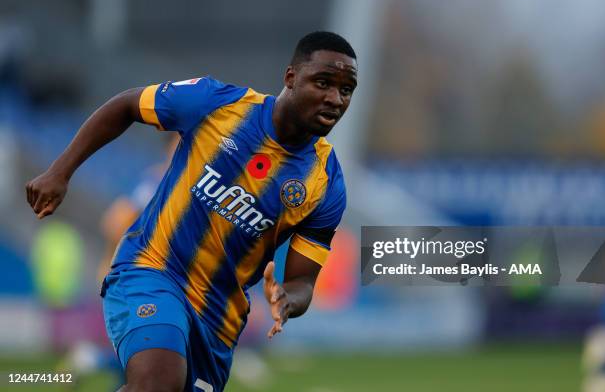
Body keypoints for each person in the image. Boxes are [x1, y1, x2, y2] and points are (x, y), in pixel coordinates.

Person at [25, 31, 357, 391]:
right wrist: (61, 171)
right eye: (323, 82)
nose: (334, 99)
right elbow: (126, 105)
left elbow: (303, 280)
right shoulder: (217, 103)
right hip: (153, 271)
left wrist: (287, 299)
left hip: (219, 319)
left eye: (346, 89)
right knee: (159, 381)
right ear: (290, 77)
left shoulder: (326, 183)